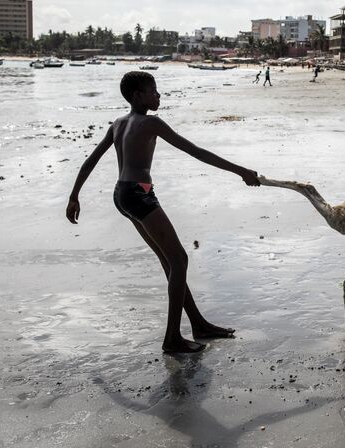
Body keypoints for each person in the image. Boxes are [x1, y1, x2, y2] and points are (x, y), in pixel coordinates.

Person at [66, 71, 260, 354]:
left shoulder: (118, 124)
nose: (158, 95)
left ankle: (198, 324)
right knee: (179, 259)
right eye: (153, 91)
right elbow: (195, 151)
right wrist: (240, 171)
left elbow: (90, 161)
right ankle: (172, 338)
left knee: (170, 262)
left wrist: (74, 196)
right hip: (139, 196)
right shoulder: (151, 123)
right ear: (137, 96)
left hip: (122, 194)